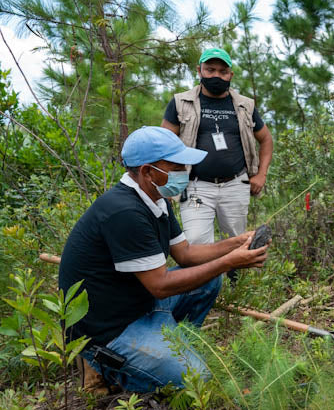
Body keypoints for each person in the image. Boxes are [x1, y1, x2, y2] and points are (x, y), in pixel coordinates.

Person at [58, 127, 268, 395]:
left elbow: (185, 254)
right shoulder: (124, 212)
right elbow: (160, 285)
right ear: (147, 171)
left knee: (209, 279)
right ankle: (105, 365)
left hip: (140, 304)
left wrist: (236, 243)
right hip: (112, 328)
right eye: (177, 165)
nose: (185, 171)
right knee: (198, 381)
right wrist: (229, 262)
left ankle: (169, 345)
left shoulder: (155, 198)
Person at [161, 47, 273, 247]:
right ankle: (207, 280)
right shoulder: (181, 102)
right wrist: (166, 183)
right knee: (195, 242)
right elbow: (164, 143)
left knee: (236, 242)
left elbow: (266, 139)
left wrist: (261, 175)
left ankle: (234, 279)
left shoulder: (245, 105)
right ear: (199, 71)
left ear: (231, 74)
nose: (216, 76)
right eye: (210, 70)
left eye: (222, 72)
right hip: (196, 186)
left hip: (236, 184)